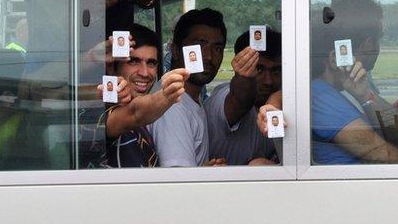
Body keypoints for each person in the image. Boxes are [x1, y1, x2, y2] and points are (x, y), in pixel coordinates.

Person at [308, 0, 398, 164]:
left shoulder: (358, 82)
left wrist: (365, 96)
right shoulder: (321, 97)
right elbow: (382, 155)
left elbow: (397, 131)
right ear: (369, 43)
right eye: (378, 39)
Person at [100, 24, 186, 168]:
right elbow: (135, 113)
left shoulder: (143, 125)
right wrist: (166, 95)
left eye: (151, 63)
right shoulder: (101, 109)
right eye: (133, 61)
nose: (145, 73)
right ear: (111, 67)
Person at [150, 9, 228, 167]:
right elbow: (179, 179)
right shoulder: (172, 105)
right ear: (176, 51)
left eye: (217, 48)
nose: (209, 56)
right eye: (199, 46)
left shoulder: (189, 98)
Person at [204, 28, 282, 166]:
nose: (268, 81)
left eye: (276, 71)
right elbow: (241, 99)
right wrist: (245, 77)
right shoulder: (223, 97)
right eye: (259, 69)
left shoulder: (282, 102)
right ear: (240, 66)